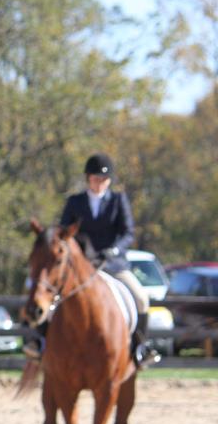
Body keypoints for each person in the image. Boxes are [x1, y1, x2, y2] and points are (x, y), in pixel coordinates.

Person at [26, 153, 157, 368]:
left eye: (103, 180)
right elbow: (63, 233)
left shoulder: (117, 200)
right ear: (88, 178)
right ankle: (39, 342)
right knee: (48, 295)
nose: (99, 183)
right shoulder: (75, 202)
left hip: (112, 263)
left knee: (141, 298)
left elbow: (128, 233)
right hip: (80, 267)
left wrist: (114, 250)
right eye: (96, 179)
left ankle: (141, 346)